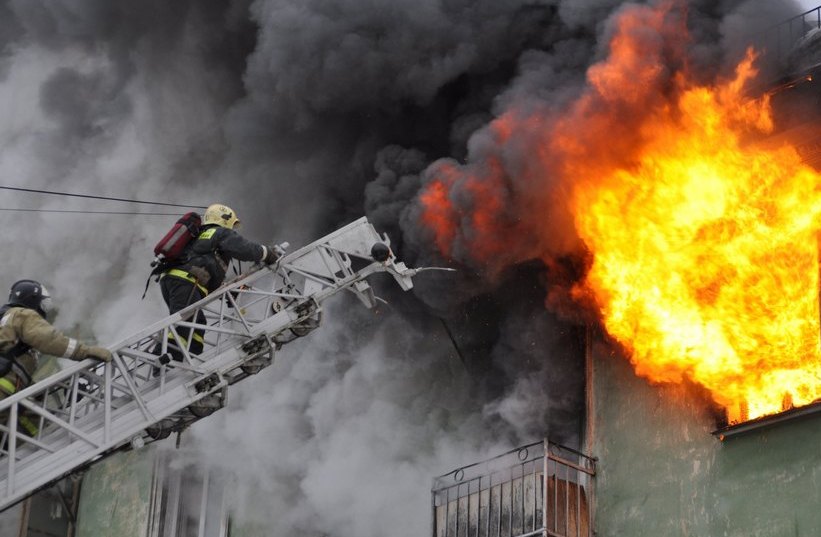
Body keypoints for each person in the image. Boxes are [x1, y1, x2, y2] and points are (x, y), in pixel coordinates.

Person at [157, 203, 278, 360]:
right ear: (225, 219)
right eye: (232, 225)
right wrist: (266, 253)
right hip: (186, 282)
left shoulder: (201, 237)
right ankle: (163, 368)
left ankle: (190, 361)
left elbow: (205, 270)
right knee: (183, 325)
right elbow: (244, 249)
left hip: (176, 281)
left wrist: (227, 293)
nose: (233, 229)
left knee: (197, 325)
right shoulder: (220, 233)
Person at [0, 279, 112, 435]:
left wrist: (47, 392)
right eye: (43, 305)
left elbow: (13, 368)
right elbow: (50, 340)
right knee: (39, 432)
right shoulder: (22, 315)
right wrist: (85, 351)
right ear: (32, 300)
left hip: (7, 396)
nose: (43, 310)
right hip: (5, 394)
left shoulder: (4, 320)